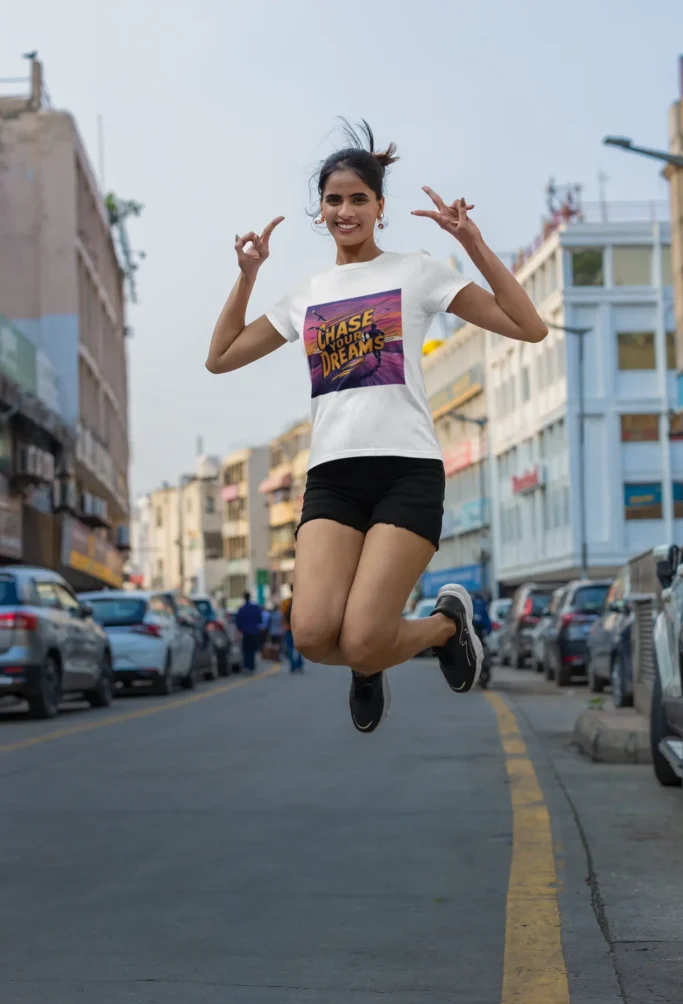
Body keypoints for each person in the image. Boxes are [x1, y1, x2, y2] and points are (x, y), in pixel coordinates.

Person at [206, 120, 547, 732]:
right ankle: (385, 653)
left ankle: (444, 627)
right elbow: (221, 356)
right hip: (332, 478)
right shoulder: (305, 294)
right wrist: (248, 273)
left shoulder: (416, 272)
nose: (345, 210)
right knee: (311, 634)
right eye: (333, 200)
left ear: (380, 207)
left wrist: (471, 242)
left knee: (363, 640)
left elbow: (528, 326)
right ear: (320, 210)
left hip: (405, 472)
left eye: (358, 198)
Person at [235, 591, 262, 674]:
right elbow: (259, 619)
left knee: (246, 651)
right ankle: (251, 667)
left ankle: (247, 667)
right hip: (254, 632)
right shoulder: (255, 608)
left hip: (246, 633)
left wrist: (240, 630)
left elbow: (238, 622)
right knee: (252, 650)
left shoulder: (242, 609)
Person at [281, 586, 303, 673]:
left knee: (290, 648)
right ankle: (299, 665)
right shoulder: (300, 601)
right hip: (299, 628)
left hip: (288, 628)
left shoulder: (285, 602)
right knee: (300, 648)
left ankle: (293, 666)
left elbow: (282, 615)